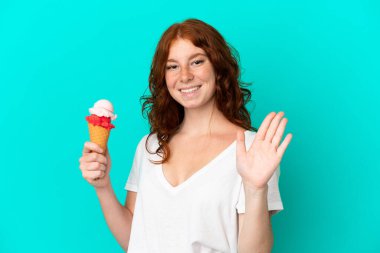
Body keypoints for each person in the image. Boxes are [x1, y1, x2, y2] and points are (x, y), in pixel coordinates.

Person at [79, 18, 292, 253]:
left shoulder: (252, 150)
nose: (185, 76)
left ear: (218, 68)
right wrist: (103, 186)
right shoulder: (150, 146)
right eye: (173, 66)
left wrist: (256, 189)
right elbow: (135, 239)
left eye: (197, 62)